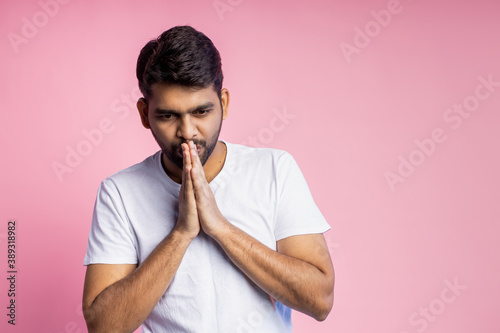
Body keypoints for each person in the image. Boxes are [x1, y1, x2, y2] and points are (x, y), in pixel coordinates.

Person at [82, 25, 334, 333]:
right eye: (168, 115)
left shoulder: (274, 169)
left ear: (224, 104)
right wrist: (181, 233)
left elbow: (320, 300)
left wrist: (221, 229)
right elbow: (103, 326)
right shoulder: (120, 193)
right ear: (144, 114)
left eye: (201, 112)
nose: (187, 131)